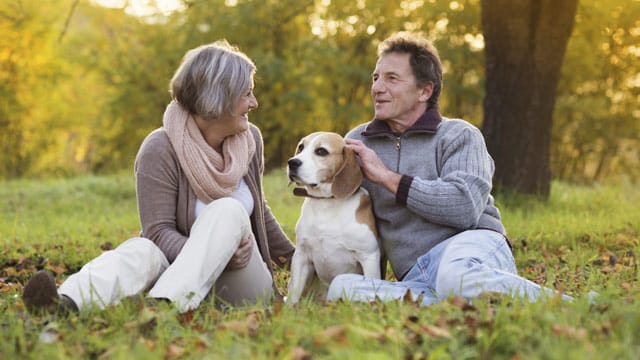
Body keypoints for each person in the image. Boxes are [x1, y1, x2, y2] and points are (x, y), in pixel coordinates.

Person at [22, 40, 295, 314]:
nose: (254, 103)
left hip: (241, 285)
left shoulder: (250, 141)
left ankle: (163, 311)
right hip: (179, 277)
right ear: (219, 96)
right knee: (141, 249)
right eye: (246, 94)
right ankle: (65, 304)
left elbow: (261, 213)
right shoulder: (160, 148)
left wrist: (302, 261)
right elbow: (158, 232)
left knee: (228, 209)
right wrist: (213, 254)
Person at [326, 32, 573, 305]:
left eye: (391, 78)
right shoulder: (358, 141)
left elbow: (463, 208)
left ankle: (573, 306)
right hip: (414, 276)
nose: (377, 88)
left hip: (470, 249)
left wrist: (385, 177)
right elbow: (350, 216)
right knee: (343, 288)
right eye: (376, 77)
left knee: (454, 277)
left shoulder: (458, 135)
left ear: (425, 90)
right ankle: (452, 302)